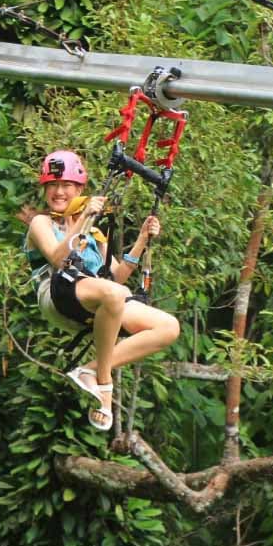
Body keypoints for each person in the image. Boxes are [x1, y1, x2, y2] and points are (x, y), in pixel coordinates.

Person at [26, 150, 180, 430]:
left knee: (169, 327)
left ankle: (91, 370)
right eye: (53, 186)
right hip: (58, 293)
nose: (59, 192)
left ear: (80, 188)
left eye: (66, 186)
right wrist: (84, 218)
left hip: (93, 297)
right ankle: (105, 384)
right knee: (112, 294)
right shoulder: (42, 223)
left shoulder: (95, 232)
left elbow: (118, 276)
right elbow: (59, 259)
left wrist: (142, 240)